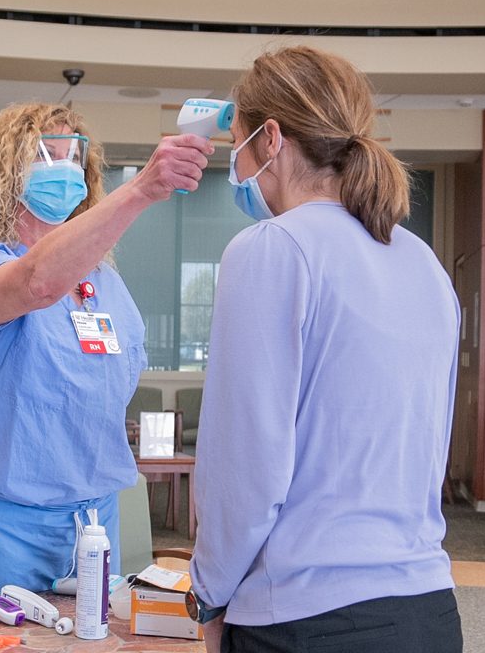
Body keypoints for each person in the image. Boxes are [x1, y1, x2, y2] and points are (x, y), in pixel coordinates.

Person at [187, 47, 462, 652]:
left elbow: (244, 467)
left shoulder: (271, 248)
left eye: (236, 145)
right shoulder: (421, 260)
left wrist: (206, 593)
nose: (236, 166)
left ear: (271, 138)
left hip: (308, 618)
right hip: (428, 611)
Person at [0, 103, 212, 612]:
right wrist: (142, 189)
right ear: (7, 173)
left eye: (73, 158)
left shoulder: (106, 284)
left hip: (93, 525)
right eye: (46, 156)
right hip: (1, 526)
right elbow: (37, 282)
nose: (64, 169)